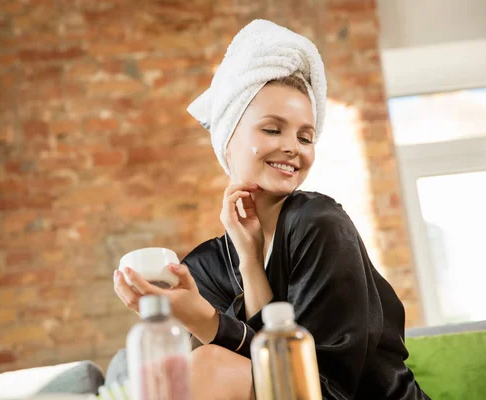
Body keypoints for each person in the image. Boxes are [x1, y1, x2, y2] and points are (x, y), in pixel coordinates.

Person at [113, 20, 430, 400]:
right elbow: (266, 383)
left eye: (305, 136)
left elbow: (326, 386)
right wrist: (249, 261)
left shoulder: (321, 225)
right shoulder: (205, 268)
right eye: (272, 129)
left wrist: (205, 320)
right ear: (229, 139)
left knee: (210, 363)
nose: (293, 147)